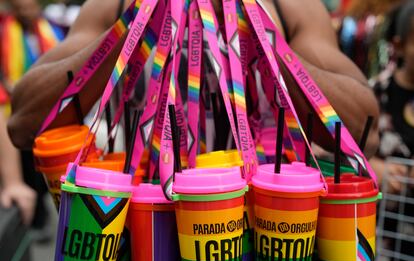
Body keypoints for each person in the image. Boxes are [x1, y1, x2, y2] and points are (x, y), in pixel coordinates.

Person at [8, 0, 379, 158]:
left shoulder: (288, 7)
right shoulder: (116, 5)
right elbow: (23, 123)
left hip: (266, 235)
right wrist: (136, 26)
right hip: (148, 237)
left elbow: (367, 129)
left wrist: (258, 35)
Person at [0, 0, 64, 238]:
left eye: (30, 7)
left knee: (50, 167)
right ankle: (38, 219)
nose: (27, 12)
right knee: (30, 166)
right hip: (17, 109)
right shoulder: (5, 33)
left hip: (48, 110)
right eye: (21, 9)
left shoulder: (52, 30)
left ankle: (47, 212)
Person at [370, 1, 414, 261]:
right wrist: (375, 167)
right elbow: (344, 150)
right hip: (385, 243)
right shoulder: (374, 94)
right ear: (398, 46)